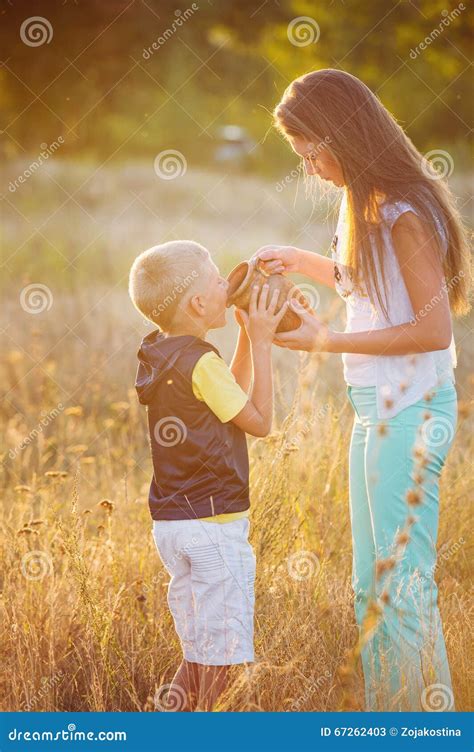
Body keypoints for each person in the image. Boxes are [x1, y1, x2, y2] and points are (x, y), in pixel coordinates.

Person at [254, 69, 470, 711]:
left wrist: (328, 343)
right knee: (369, 588)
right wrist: (300, 260)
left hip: (409, 412)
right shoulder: (372, 209)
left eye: (313, 152)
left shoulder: (404, 215)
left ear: (344, 138)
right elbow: (369, 286)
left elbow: (430, 329)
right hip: (375, 410)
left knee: (400, 586)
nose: (313, 168)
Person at [128, 240, 288, 711]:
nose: (226, 283)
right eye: (218, 279)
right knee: (221, 663)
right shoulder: (200, 361)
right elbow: (259, 422)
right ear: (199, 303)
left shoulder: (165, 353)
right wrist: (261, 340)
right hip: (214, 530)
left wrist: (241, 335)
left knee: (199, 655)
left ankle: (169, 726)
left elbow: (228, 400)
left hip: (175, 526)